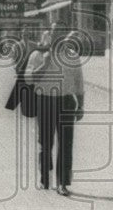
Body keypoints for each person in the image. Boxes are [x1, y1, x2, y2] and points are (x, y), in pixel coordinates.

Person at [28, 24, 85, 196]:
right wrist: (45, 63)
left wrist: (80, 105)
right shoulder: (37, 55)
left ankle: (63, 183)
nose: (58, 36)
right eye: (55, 32)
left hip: (66, 102)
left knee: (66, 144)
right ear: (50, 35)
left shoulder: (72, 56)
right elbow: (29, 79)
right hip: (45, 101)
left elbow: (78, 82)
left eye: (61, 32)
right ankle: (45, 178)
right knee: (45, 143)